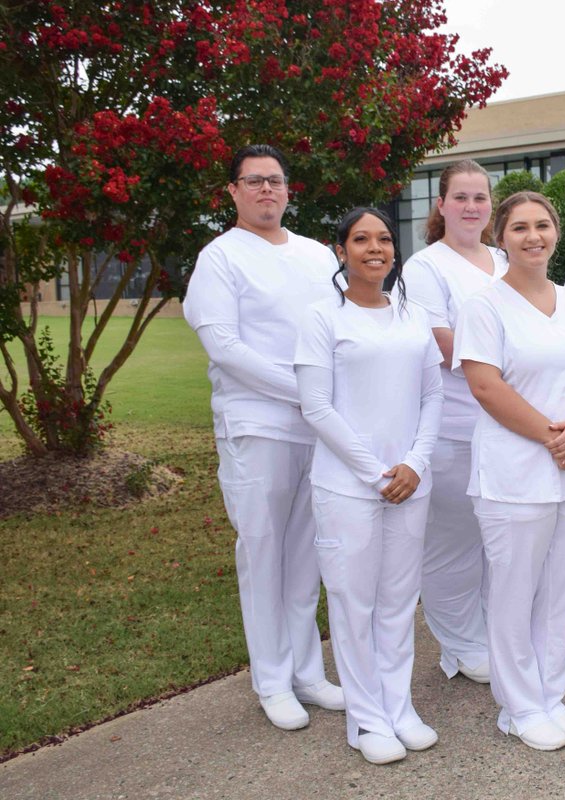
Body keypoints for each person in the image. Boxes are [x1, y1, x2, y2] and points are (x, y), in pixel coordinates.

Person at [183, 144, 344, 731]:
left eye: (275, 181)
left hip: (317, 430)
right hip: (258, 424)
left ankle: (307, 672)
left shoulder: (312, 254)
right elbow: (226, 347)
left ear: (287, 189)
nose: (266, 191)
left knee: (306, 555)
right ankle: (272, 681)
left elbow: (338, 328)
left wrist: (325, 401)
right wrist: (307, 392)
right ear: (233, 191)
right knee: (263, 552)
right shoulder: (220, 257)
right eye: (254, 182)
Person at [453, 191, 565, 752]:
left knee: (563, 589)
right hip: (516, 471)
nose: (532, 236)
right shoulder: (484, 305)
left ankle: (551, 693)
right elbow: (485, 386)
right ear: (501, 238)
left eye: (542, 225)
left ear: (556, 233)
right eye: (519, 227)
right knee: (515, 590)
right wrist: (555, 436)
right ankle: (519, 706)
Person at [293, 207, 443, 765]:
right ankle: (366, 720)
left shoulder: (413, 314)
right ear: (341, 251)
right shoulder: (320, 317)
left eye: (383, 239)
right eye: (361, 239)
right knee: (354, 602)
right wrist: (375, 470)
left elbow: (433, 396)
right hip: (347, 486)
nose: (374, 248)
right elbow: (316, 406)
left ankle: (398, 707)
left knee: (399, 602)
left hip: (411, 481)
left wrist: (415, 463)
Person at [404, 159, 505, 685]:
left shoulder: (506, 258)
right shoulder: (427, 267)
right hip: (455, 422)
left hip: (510, 424)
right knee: (453, 540)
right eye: (460, 197)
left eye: (480, 197)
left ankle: (493, 632)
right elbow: (441, 345)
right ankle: (460, 641)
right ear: (440, 205)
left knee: (498, 538)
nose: (471, 207)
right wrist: (511, 368)